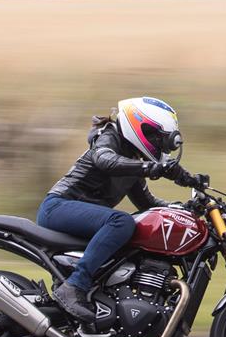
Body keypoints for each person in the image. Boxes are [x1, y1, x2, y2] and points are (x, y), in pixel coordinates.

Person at [37, 97, 206, 322]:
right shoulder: (109, 137)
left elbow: (147, 203)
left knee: (139, 226)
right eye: (156, 137)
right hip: (58, 207)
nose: (158, 144)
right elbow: (106, 161)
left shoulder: (132, 158)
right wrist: (152, 168)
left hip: (76, 214)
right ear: (140, 126)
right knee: (122, 222)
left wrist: (182, 209)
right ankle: (74, 287)